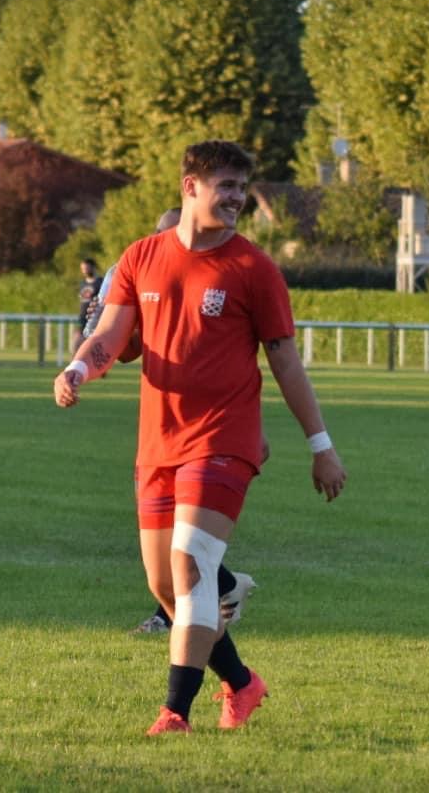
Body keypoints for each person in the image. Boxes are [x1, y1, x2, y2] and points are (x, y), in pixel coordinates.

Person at [54, 139, 347, 736]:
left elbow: (286, 362)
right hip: (158, 443)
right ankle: (241, 682)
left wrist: (321, 447)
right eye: (226, 186)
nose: (237, 198)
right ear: (191, 187)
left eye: (242, 187)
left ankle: (174, 713)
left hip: (224, 440)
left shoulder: (254, 269)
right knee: (167, 587)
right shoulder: (141, 257)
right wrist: (79, 368)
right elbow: (111, 333)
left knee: (190, 564)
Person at [104, 209, 258, 637]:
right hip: (161, 425)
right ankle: (223, 593)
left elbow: (237, 355)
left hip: (209, 430)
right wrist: (103, 339)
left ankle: (183, 614)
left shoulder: (226, 270)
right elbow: (129, 348)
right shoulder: (140, 266)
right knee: (169, 548)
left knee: (183, 546)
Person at [72, 258, 102, 351]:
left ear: (92, 267)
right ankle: (76, 360)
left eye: (86, 268)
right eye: (83, 269)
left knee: (92, 348)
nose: (84, 271)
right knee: (77, 345)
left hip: (95, 319)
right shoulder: (83, 283)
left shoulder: (100, 282)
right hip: (83, 319)